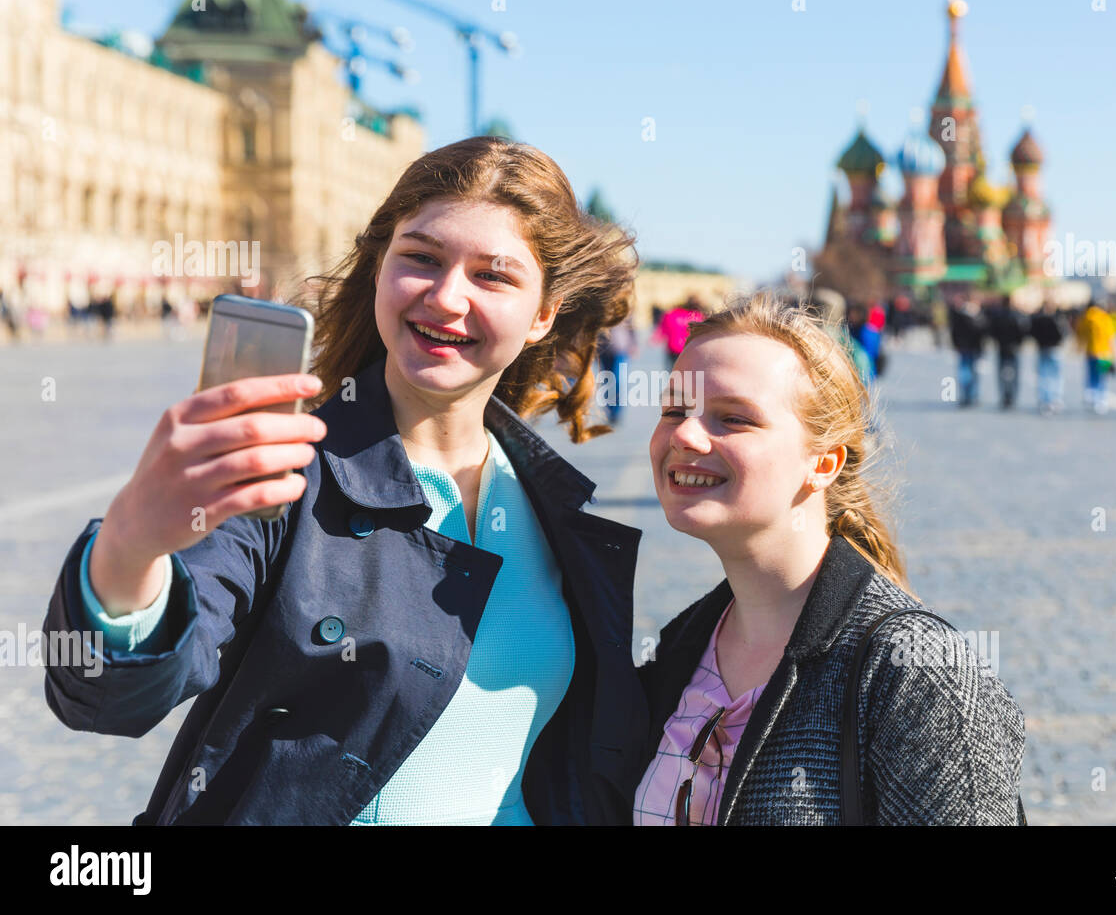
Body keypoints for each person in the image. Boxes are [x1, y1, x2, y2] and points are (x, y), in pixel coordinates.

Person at [40, 136, 648, 825]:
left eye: (493, 276)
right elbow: (114, 695)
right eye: (421, 258)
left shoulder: (556, 511)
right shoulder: (286, 472)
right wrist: (129, 547)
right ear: (380, 269)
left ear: (543, 313)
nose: (447, 297)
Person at [633, 293, 1026, 825]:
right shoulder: (681, 645)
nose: (683, 433)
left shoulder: (918, 675)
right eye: (675, 409)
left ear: (822, 463)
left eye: (733, 418)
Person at [1075, 299, 1116, 414]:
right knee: (1102, 378)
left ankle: (1092, 397)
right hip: (1104, 353)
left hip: (1090, 352)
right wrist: (1114, 354)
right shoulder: (1105, 318)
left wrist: (1078, 348)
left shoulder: (1086, 318)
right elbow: (1110, 338)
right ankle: (1101, 400)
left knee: (1092, 376)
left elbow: (1080, 334)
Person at [985, 294, 1028, 410]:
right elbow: (1022, 332)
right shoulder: (1017, 316)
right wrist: (1019, 343)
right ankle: (1012, 396)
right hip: (1014, 348)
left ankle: (1004, 395)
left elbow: (991, 332)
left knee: (1002, 374)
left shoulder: (997, 316)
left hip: (1002, 348)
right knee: (1014, 374)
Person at [596, 313, 639, 425]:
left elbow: (631, 327)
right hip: (602, 349)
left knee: (619, 380)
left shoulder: (624, 306)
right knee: (606, 381)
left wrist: (634, 344)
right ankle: (610, 410)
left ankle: (616, 412)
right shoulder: (599, 305)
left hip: (620, 348)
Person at [1028, 296, 1066, 414]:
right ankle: (1055, 399)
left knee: (1044, 376)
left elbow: (1032, 333)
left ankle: (1045, 400)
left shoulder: (1038, 319)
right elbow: (1063, 334)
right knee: (1055, 377)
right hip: (1054, 349)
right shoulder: (1057, 319)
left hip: (1043, 349)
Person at [948, 293, 986, 407]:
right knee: (966, 372)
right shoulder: (968, 315)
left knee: (970, 372)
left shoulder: (977, 315)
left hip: (971, 347)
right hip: (967, 348)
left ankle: (970, 396)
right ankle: (968, 396)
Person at [653, 296, 705, 372]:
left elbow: (663, 330)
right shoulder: (696, 316)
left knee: (673, 371)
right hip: (688, 348)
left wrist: (656, 339)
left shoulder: (671, 315)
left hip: (673, 348)